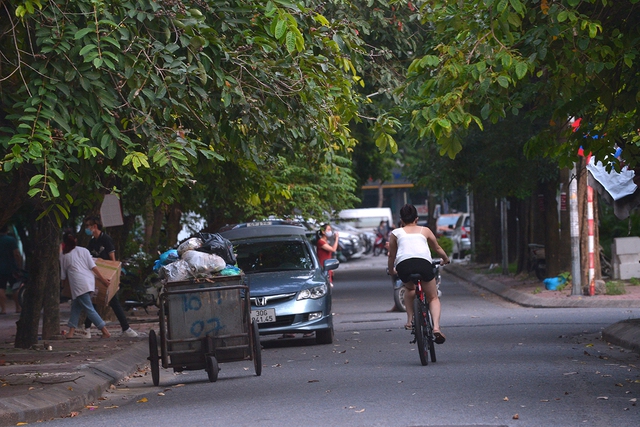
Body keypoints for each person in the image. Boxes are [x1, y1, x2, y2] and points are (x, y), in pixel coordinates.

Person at [387, 204, 450, 344]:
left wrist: (391, 270)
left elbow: (392, 255)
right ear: (417, 218)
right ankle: (436, 328)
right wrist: (445, 259)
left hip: (404, 266)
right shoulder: (425, 230)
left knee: (410, 289)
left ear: (401, 220)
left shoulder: (396, 233)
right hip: (423, 264)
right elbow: (437, 248)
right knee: (433, 297)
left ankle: (409, 320)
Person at [82, 216, 138, 338]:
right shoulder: (92, 242)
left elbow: (112, 260)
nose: (87, 229)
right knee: (94, 302)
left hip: (107, 277)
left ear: (94, 226)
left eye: (88, 226)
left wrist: (114, 278)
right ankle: (87, 328)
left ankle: (125, 328)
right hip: (97, 277)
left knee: (112, 302)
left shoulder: (106, 239)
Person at [60, 230, 111, 339]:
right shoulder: (84, 251)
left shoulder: (64, 255)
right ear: (76, 240)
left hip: (78, 285)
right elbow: (93, 267)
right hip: (89, 282)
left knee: (89, 309)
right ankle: (71, 332)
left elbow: (63, 275)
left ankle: (105, 331)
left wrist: (63, 287)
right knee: (76, 307)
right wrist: (103, 280)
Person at [0, 225, 23, 314]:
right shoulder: (11, 240)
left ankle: (3, 309)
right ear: (7, 229)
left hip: (0, 269)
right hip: (12, 268)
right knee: (15, 287)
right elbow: (16, 253)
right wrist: (19, 265)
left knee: (1, 288)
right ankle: (18, 307)